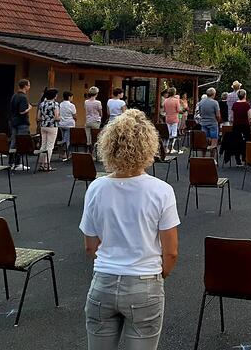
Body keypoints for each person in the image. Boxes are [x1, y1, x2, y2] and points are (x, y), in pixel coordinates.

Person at [80, 109, 180, 350]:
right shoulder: (161, 191)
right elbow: (171, 252)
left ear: (109, 145)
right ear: (149, 146)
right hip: (144, 281)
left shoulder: (96, 188)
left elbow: (90, 245)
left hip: (103, 280)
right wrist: (158, 274)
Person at [9, 79, 32, 171]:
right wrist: (29, 108)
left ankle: (11, 162)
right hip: (22, 122)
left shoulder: (14, 96)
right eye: (29, 85)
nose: (29, 87)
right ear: (25, 86)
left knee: (13, 142)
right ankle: (18, 163)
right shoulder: (23, 97)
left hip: (13, 121)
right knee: (20, 143)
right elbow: (22, 111)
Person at [38, 88, 60, 172]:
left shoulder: (42, 104)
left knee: (43, 145)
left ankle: (41, 164)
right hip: (52, 125)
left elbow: (38, 117)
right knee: (50, 146)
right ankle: (47, 164)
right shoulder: (55, 104)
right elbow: (56, 117)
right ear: (54, 96)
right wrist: (59, 118)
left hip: (43, 125)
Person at [230, 89, 251, 166]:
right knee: (247, 141)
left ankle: (237, 159)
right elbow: (249, 117)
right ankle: (245, 158)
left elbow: (232, 116)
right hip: (245, 124)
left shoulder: (234, 105)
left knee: (237, 141)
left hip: (236, 125)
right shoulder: (247, 105)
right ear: (245, 95)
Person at [198, 88, 222, 154]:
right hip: (213, 123)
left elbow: (200, 113)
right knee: (213, 143)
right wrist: (218, 121)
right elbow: (218, 115)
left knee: (204, 142)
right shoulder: (215, 103)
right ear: (214, 94)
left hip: (203, 123)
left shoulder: (201, 102)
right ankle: (212, 159)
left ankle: (203, 157)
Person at [59, 91, 77, 159]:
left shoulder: (60, 104)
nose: (72, 98)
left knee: (64, 138)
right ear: (69, 97)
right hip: (69, 124)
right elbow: (75, 116)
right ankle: (66, 153)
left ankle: (63, 153)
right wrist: (75, 120)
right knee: (68, 140)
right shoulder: (71, 105)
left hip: (61, 123)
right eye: (72, 97)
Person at [163, 87, 181, 153]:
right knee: (174, 134)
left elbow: (164, 110)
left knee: (168, 133)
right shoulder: (176, 100)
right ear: (174, 93)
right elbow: (178, 110)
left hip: (167, 118)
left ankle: (166, 148)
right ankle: (171, 148)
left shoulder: (165, 100)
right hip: (174, 118)